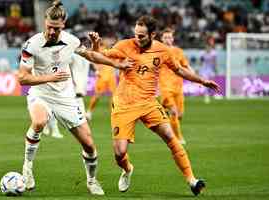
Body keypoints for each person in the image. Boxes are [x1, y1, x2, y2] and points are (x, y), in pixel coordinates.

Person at [88, 15, 220, 196]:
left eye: (142, 36)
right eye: (136, 34)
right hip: (124, 104)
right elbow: (98, 57)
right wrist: (95, 45)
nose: (137, 38)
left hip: (149, 102)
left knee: (170, 137)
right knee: (119, 153)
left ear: (152, 34)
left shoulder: (163, 51)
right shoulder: (125, 45)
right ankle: (127, 169)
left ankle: (192, 180)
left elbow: (179, 70)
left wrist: (202, 81)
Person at [17, 1, 132, 195]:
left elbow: (92, 56)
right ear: (45, 22)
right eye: (49, 27)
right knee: (39, 122)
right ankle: (27, 168)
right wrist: (49, 78)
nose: (52, 32)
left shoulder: (71, 41)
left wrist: (117, 65)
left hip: (66, 97)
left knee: (89, 144)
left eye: (57, 28)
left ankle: (91, 180)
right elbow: (22, 78)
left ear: (64, 25)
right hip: (41, 93)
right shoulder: (32, 45)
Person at [159, 27, 194, 144]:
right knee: (174, 112)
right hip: (165, 88)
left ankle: (163, 120)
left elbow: (186, 66)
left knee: (179, 115)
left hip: (178, 88)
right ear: (161, 39)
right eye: (165, 37)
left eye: (169, 37)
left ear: (173, 39)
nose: (168, 39)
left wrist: (194, 76)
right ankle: (178, 138)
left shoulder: (179, 51)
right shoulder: (158, 52)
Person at [86, 37, 117, 120]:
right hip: (102, 76)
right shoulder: (101, 50)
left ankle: (113, 113)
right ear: (104, 41)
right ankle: (89, 111)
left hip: (111, 76)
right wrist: (96, 70)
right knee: (97, 96)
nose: (110, 42)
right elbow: (93, 59)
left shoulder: (113, 51)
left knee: (114, 96)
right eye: (109, 40)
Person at [199, 36, 217, 103]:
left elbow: (214, 61)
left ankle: (215, 94)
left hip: (211, 69)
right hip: (204, 70)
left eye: (209, 47)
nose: (208, 48)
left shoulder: (213, 53)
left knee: (213, 82)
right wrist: (199, 69)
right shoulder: (202, 53)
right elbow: (200, 62)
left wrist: (215, 69)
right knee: (206, 83)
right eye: (207, 47)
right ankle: (206, 96)